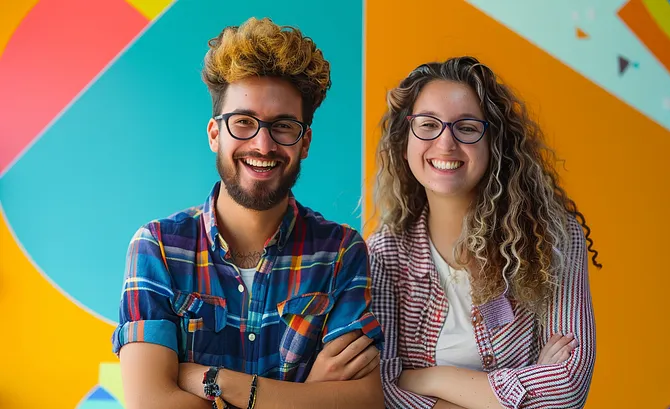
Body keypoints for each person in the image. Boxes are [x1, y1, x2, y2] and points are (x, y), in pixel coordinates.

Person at [112, 17, 384, 409]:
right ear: (214, 134)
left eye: (283, 127)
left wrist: (207, 381)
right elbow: (151, 403)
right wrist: (309, 396)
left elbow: (363, 401)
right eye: (243, 122)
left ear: (304, 142)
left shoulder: (340, 252)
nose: (263, 144)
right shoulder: (158, 248)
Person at [368, 56, 601, 409]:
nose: (445, 144)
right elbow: (378, 393)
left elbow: (567, 387)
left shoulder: (552, 240)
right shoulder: (384, 255)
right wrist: (525, 385)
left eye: (466, 127)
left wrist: (428, 378)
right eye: (428, 125)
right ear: (405, 139)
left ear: (495, 142)